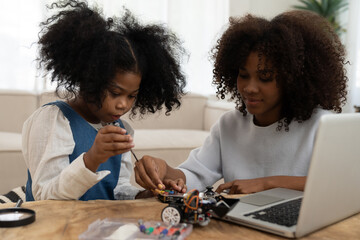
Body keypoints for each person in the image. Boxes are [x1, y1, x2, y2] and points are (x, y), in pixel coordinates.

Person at [134, 10, 348, 194]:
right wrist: (163, 169)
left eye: (264, 78)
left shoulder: (322, 126)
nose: (249, 88)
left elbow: (342, 184)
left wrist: (266, 184)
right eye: (243, 75)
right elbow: (193, 175)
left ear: (292, 79)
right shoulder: (230, 125)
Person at [22, 0, 186, 201]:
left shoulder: (121, 128)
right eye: (114, 92)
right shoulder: (53, 120)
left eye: (131, 96)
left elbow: (115, 191)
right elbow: (44, 197)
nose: (123, 104)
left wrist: (147, 194)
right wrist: (91, 159)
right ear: (89, 79)